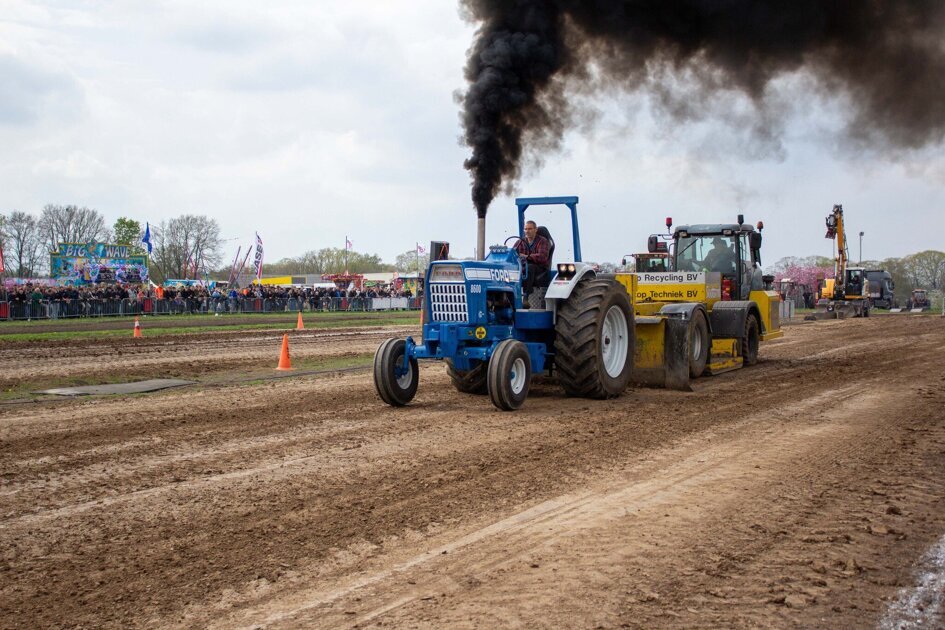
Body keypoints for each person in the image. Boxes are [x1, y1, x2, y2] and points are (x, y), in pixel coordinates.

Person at [515, 220, 551, 305]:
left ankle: (526, 297)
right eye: (526, 229)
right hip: (523, 265)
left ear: (536, 230)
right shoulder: (520, 242)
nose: (527, 231)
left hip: (540, 267)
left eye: (530, 229)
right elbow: (514, 252)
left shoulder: (543, 241)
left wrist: (526, 256)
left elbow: (542, 257)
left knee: (529, 267)